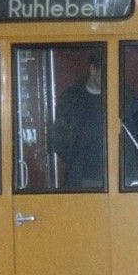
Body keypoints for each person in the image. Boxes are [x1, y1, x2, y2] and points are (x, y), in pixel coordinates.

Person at [53, 53, 106, 189]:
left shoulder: (124, 98)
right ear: (93, 69)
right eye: (104, 71)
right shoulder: (71, 99)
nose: (109, 77)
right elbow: (57, 139)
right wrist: (78, 161)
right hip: (80, 181)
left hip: (118, 180)